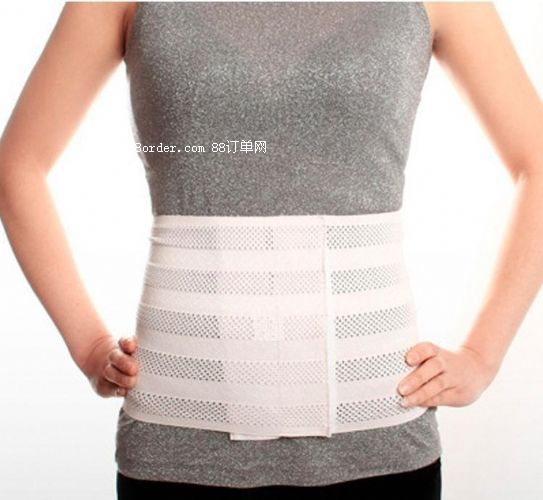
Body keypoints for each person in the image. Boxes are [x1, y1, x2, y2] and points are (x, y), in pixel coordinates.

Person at [0, 2, 542, 500]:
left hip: (379, 442)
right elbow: (17, 166)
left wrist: (481, 356)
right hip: (178, 449)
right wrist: (90, 346)